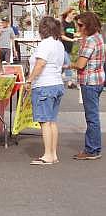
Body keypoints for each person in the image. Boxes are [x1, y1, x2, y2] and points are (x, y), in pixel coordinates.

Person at [26, 16, 65, 165]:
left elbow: (40, 63)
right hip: (57, 84)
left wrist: (29, 80)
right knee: (52, 121)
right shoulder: (58, 44)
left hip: (44, 85)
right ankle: (53, 154)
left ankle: (47, 155)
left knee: (44, 121)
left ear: (43, 29)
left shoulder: (44, 44)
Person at [67, 12, 105, 160]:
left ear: (88, 25)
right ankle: (94, 148)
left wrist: (69, 65)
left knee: (92, 117)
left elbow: (81, 64)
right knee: (93, 116)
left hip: (89, 81)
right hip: (98, 79)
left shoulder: (89, 41)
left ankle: (92, 149)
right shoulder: (98, 37)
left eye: (81, 25)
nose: (79, 27)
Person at [60, 8, 78, 88]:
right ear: (68, 14)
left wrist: (77, 35)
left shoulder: (72, 24)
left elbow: (73, 33)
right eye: (73, 14)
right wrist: (72, 39)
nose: (74, 15)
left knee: (63, 65)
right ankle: (70, 83)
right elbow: (62, 36)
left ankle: (55, 78)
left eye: (75, 14)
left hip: (69, 47)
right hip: (63, 47)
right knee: (68, 63)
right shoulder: (63, 23)